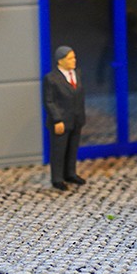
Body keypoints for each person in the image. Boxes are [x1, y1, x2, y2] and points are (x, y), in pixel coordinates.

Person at [43, 46, 86, 191]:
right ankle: (57, 178)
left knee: (72, 148)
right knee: (58, 151)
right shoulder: (51, 79)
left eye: (74, 57)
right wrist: (57, 119)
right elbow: (49, 101)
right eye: (70, 58)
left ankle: (70, 173)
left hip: (76, 119)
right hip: (61, 121)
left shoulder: (77, 73)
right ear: (60, 61)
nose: (74, 60)